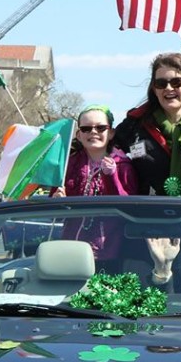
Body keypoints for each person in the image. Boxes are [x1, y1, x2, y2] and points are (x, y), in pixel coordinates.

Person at [114, 52, 181, 197]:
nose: (168, 88)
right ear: (154, 89)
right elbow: (101, 145)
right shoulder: (134, 126)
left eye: (176, 82)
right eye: (161, 83)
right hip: (149, 215)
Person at [51, 105, 138, 270]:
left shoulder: (123, 165)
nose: (93, 132)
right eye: (86, 129)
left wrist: (111, 176)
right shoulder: (68, 164)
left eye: (100, 127)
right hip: (71, 248)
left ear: (111, 133)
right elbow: (55, 214)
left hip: (109, 252)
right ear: (79, 135)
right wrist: (56, 202)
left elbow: (127, 207)